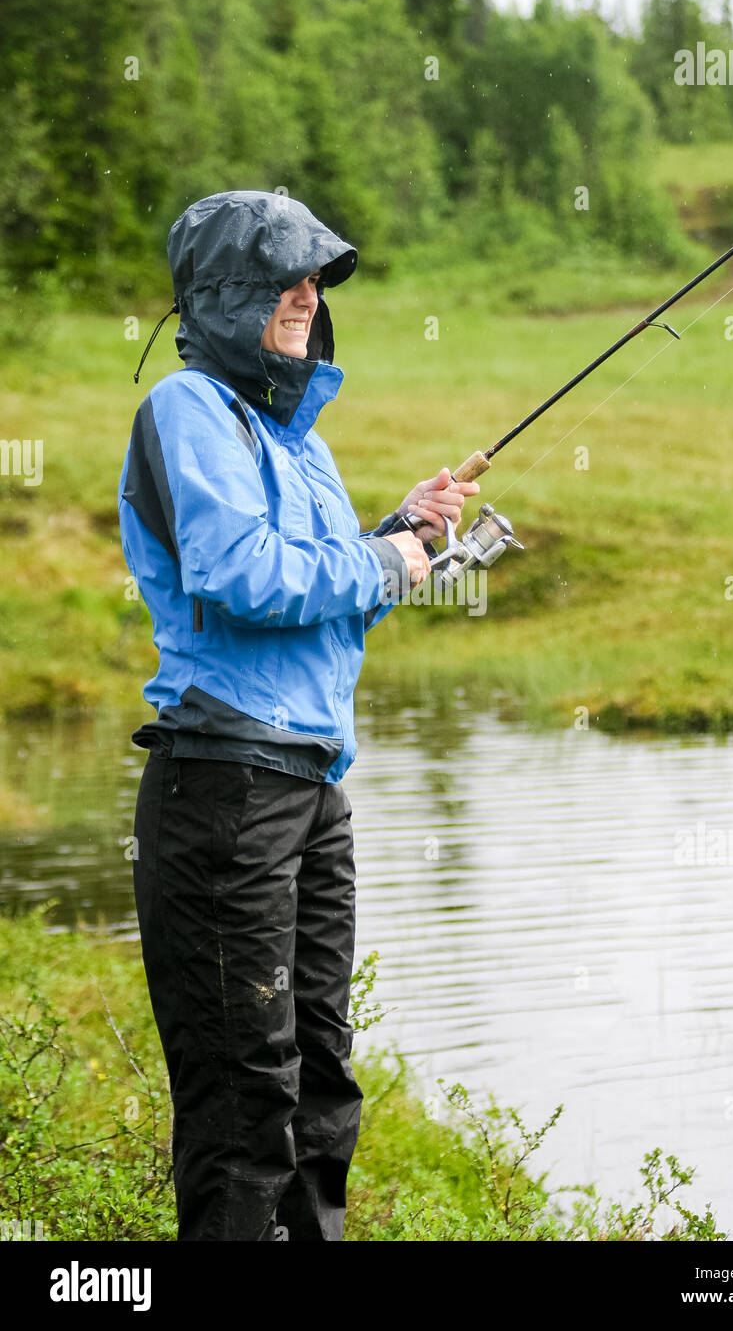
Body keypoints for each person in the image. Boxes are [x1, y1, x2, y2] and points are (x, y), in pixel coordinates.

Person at [117, 189, 479, 1241]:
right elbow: (240, 575)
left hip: (310, 789)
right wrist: (384, 559)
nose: (307, 296)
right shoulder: (185, 410)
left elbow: (315, 593)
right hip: (225, 787)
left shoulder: (298, 442)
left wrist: (398, 528)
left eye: (315, 279)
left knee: (321, 1077)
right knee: (245, 1098)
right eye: (286, 275)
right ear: (226, 291)